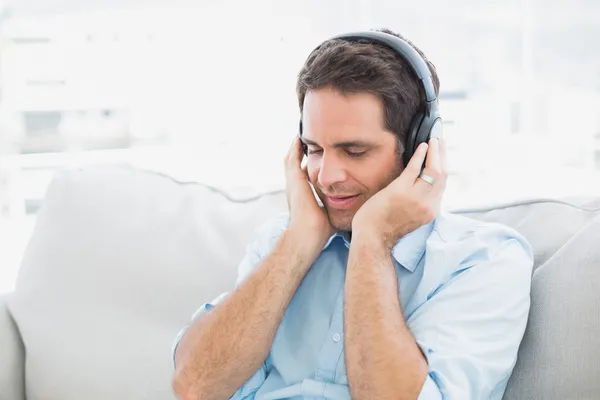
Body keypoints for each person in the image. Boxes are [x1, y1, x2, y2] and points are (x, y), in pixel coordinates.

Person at [171, 28, 533, 400]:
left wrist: (372, 239)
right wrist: (298, 242)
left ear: (418, 149)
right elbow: (196, 386)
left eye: (354, 152)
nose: (326, 177)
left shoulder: (484, 261)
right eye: (314, 149)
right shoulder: (283, 241)